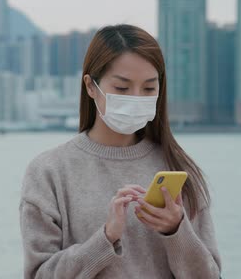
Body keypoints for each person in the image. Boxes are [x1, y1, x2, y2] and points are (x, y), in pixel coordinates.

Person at [19, 24, 222, 278]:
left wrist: (176, 230)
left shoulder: (177, 169)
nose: (136, 98)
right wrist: (105, 238)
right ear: (91, 87)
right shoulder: (49, 172)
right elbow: (39, 274)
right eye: (122, 88)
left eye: (149, 89)